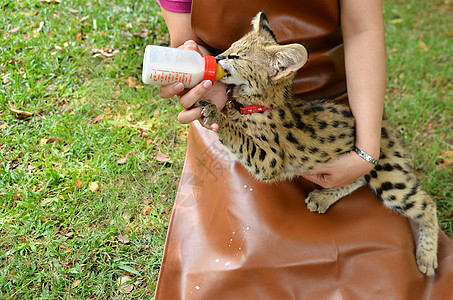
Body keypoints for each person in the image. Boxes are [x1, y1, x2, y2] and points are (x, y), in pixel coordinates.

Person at [153, 0, 453, 299]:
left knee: (381, 277)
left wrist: (366, 152)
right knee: (236, 274)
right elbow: (185, 42)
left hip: (341, 102)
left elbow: (363, 29)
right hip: (229, 106)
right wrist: (201, 78)